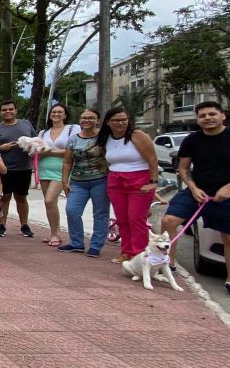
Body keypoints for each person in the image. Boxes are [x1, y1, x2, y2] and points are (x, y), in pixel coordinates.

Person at [161, 101, 230, 299]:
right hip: (197, 191)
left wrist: (229, 188)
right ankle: (168, 266)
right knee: (168, 221)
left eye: (212, 114)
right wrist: (193, 188)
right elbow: (183, 169)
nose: (207, 118)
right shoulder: (193, 139)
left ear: (222, 115)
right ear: (197, 120)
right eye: (202, 116)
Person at [98, 106, 159, 263]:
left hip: (139, 180)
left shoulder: (137, 135)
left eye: (123, 120)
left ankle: (139, 255)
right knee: (122, 219)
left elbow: (152, 159)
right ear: (108, 122)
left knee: (136, 219)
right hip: (115, 181)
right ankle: (126, 251)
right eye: (116, 120)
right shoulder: (106, 137)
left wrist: (153, 183)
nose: (120, 123)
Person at [58, 108, 109, 257]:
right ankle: (76, 243)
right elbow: (67, 161)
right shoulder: (73, 138)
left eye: (91, 118)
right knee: (72, 210)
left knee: (100, 214)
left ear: (98, 121)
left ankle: (96, 246)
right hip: (78, 182)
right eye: (83, 118)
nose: (87, 120)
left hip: (101, 180)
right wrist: (65, 181)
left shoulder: (105, 137)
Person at [0, 100, 37, 238]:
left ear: (16, 110)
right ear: (0, 112)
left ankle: (24, 225)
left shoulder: (26, 124)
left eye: (10, 109)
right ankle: (2, 224)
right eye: (4, 110)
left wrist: (29, 146)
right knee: (4, 197)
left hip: (24, 168)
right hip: (4, 168)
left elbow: (36, 141)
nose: (8, 112)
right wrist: (0, 148)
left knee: (21, 197)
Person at [37, 104, 80, 247]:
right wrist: (51, 151)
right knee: (50, 204)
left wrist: (51, 151)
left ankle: (57, 234)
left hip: (63, 169)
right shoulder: (43, 132)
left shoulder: (72, 129)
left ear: (65, 115)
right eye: (53, 112)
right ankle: (54, 233)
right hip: (44, 168)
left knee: (49, 200)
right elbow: (36, 150)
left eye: (60, 112)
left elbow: (74, 149)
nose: (56, 114)